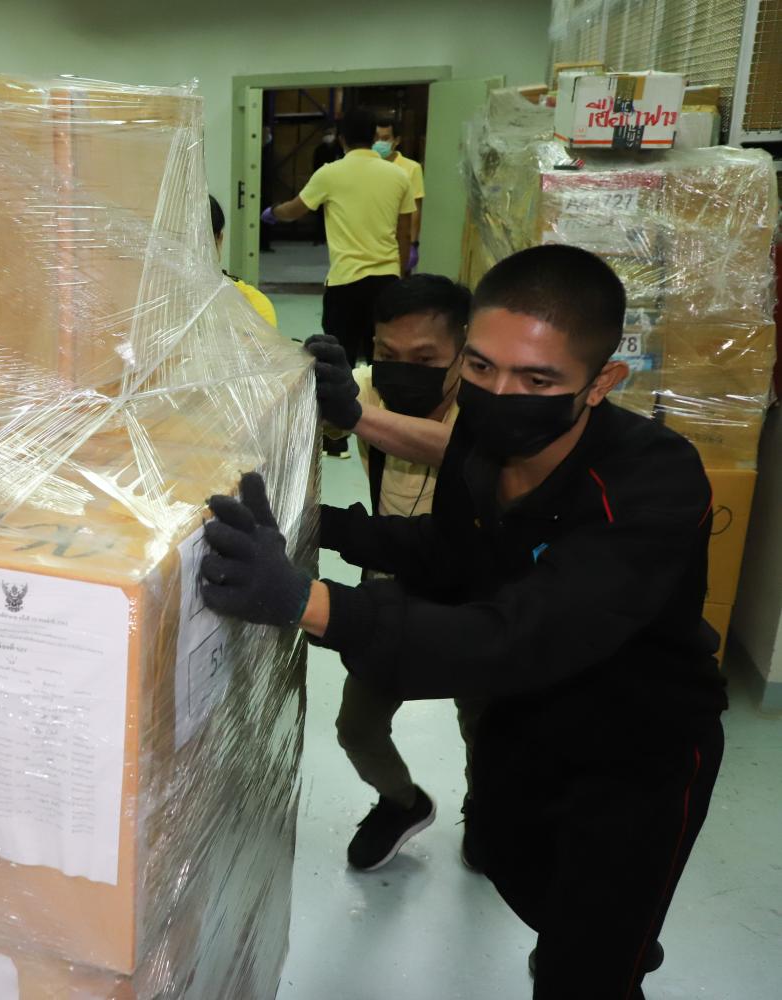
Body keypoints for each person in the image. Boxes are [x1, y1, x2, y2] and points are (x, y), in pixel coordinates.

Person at [201, 245, 725, 999]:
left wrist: (307, 603)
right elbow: (454, 554)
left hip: (634, 753)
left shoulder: (652, 486)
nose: (501, 393)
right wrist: (322, 526)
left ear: (602, 382)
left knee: (590, 966)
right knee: (522, 875)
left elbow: (517, 633)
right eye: (481, 368)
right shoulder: (483, 442)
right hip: (527, 723)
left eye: (537, 379)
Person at [304, 274, 478, 871]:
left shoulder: (490, 409)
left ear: (464, 352)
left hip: (478, 599)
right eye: (387, 355)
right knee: (357, 728)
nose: (403, 370)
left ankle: (486, 811)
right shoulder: (370, 392)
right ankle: (401, 801)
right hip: (391, 596)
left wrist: (355, 417)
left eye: (425, 359)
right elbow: (318, 422)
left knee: (485, 725)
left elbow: (459, 452)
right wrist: (303, 382)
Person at [262, 108, 414, 372]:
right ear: (373, 137)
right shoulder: (399, 176)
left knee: (339, 361)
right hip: (386, 282)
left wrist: (273, 212)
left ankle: (342, 411)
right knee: (382, 359)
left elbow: (296, 209)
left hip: (345, 283)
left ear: (342, 139)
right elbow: (405, 232)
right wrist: (398, 276)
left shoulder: (330, 174)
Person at [210, 195, 278, 329]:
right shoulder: (159, 307)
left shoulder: (252, 305)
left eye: (200, 243)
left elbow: (265, 347)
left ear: (219, 240)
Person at [374, 117, 424, 272]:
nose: (379, 143)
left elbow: (415, 208)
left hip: (398, 239)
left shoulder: (411, 168)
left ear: (396, 140)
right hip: (371, 238)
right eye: (376, 138)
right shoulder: (368, 166)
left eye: (385, 138)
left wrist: (413, 244)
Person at [310, 123, 343, 246]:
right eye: (327, 133)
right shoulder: (319, 150)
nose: (329, 136)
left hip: (338, 184)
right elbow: (315, 167)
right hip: (322, 184)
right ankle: (319, 237)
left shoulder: (339, 150)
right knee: (320, 213)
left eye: (331, 133)